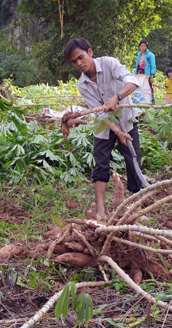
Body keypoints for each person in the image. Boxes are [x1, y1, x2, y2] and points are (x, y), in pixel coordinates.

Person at [64, 38, 143, 221]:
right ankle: (100, 211)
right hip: (105, 126)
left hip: (127, 119)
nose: (79, 63)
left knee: (133, 161)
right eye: (74, 62)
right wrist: (117, 132)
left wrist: (117, 97)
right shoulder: (82, 84)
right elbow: (101, 115)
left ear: (90, 53)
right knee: (100, 165)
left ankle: (136, 206)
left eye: (81, 57)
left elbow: (132, 81)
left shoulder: (109, 63)